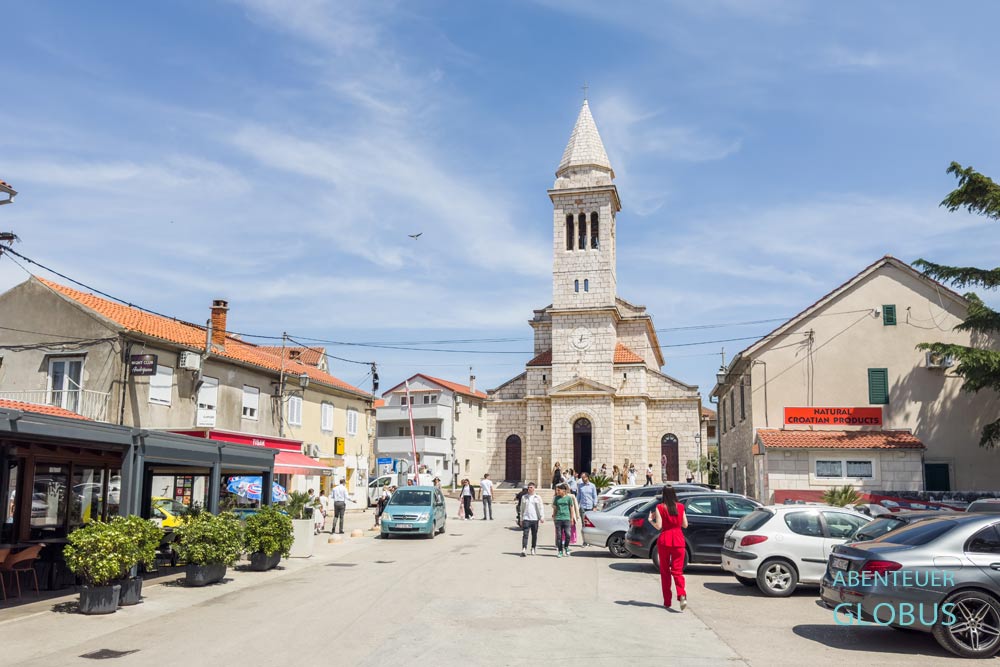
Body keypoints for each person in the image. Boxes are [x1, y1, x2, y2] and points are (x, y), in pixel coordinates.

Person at [649, 485, 688, 610]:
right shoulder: (681, 507)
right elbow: (685, 525)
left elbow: (659, 526)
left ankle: (667, 601)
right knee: (677, 571)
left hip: (665, 540)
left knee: (665, 572)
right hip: (678, 539)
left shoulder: (660, 507)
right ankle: (681, 594)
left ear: (663, 494)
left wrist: (651, 520)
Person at [518, 482, 544, 556]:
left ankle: (533, 548)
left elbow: (541, 507)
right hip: (526, 518)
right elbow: (521, 509)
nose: (530, 489)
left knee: (534, 535)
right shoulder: (524, 497)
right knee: (525, 534)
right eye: (529, 487)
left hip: (535, 519)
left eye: (531, 487)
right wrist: (521, 519)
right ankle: (524, 549)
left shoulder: (538, 497)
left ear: (534, 488)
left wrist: (542, 517)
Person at [552, 483, 577, 558]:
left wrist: (572, 518)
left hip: (567, 518)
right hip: (558, 519)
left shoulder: (569, 498)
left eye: (559, 490)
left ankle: (566, 547)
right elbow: (555, 509)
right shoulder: (556, 498)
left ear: (564, 490)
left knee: (568, 535)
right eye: (557, 490)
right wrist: (554, 517)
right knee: (559, 536)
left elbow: (571, 509)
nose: (557, 491)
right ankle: (560, 550)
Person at [576, 472, 597, 546]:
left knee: (590, 525)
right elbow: (578, 496)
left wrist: (595, 506)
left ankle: (590, 541)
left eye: (584, 477)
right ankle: (585, 541)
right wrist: (576, 505)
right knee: (584, 524)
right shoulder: (580, 486)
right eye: (582, 478)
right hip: (583, 507)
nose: (583, 479)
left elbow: (595, 496)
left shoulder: (592, 486)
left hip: (590, 507)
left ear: (587, 477)